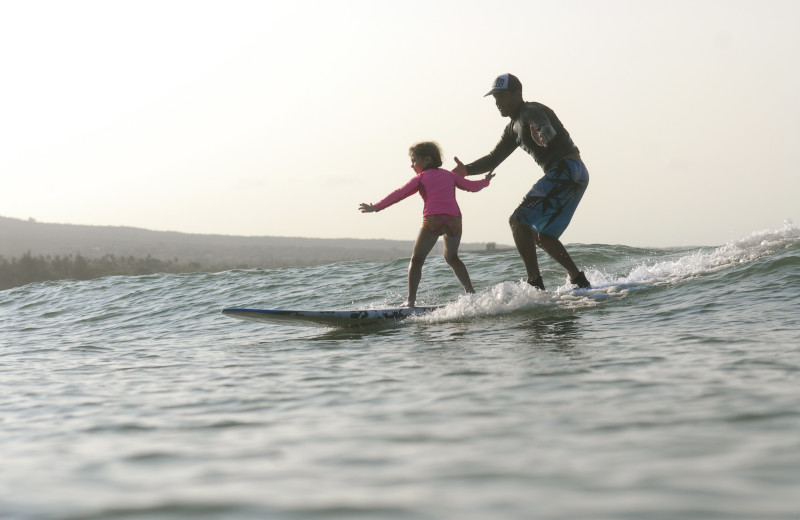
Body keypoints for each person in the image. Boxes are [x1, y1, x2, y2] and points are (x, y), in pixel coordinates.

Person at [452, 73, 591, 291]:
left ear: (517, 93)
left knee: (518, 221)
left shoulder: (530, 111)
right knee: (542, 236)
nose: (497, 103)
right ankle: (579, 280)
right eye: (494, 98)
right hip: (575, 173)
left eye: (501, 96)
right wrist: (466, 170)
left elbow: (545, 128)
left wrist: (543, 135)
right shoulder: (512, 129)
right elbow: (493, 158)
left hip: (566, 169)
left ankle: (535, 285)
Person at [360, 141, 494, 307]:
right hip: (454, 220)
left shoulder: (421, 178)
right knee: (452, 257)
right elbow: (472, 187)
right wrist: (486, 181)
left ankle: (410, 301)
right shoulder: (450, 175)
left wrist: (377, 206)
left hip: (433, 219)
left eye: (414, 160)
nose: (412, 165)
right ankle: (471, 294)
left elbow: (400, 193)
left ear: (427, 159)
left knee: (417, 260)